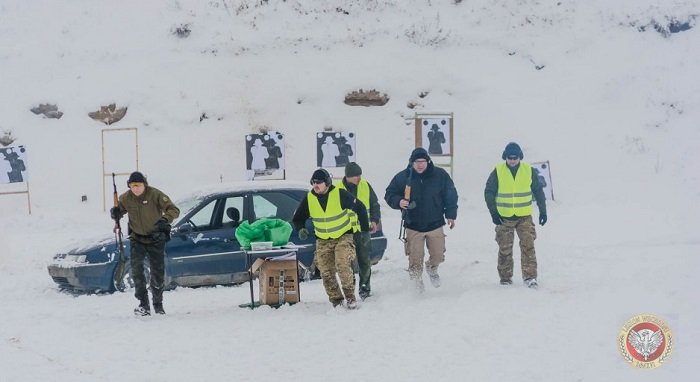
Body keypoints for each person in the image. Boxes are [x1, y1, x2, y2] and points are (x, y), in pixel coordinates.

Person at [292, 168, 370, 309]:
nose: (315, 185)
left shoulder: (339, 195)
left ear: (327, 183)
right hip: (322, 240)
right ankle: (337, 301)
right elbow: (297, 218)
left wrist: (364, 231)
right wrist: (301, 229)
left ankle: (350, 298)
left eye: (319, 183)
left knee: (342, 264)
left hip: (343, 237)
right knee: (326, 272)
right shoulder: (310, 198)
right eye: (313, 182)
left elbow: (361, 208)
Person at [384, 147, 458, 292]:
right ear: (412, 162)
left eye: (423, 161)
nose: (420, 164)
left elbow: (451, 195)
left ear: (428, 161)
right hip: (413, 225)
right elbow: (389, 194)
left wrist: (451, 214)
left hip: (435, 223)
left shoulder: (440, 175)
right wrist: (399, 201)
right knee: (415, 259)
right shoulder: (403, 177)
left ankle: (432, 268)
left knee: (438, 255)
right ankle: (416, 283)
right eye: (417, 161)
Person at [110, 171, 180, 315]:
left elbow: (174, 209)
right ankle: (143, 304)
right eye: (132, 185)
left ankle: (158, 304)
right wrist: (115, 213)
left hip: (156, 239)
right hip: (137, 239)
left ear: (144, 185)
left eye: (138, 185)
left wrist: (165, 219)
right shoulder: (125, 198)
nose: (135, 188)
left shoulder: (155, 194)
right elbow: (120, 211)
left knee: (157, 273)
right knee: (137, 272)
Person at [484, 142, 547, 289]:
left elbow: (538, 191)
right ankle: (505, 278)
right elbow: (489, 192)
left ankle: (530, 276)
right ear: (505, 157)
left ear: (520, 157)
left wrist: (543, 211)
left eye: (515, 157)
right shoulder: (498, 171)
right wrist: (493, 212)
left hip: (524, 217)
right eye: (509, 157)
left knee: (528, 246)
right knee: (505, 248)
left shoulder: (528, 170)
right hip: (504, 217)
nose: (512, 160)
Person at [334, 162, 381, 300]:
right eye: (355, 176)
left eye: (359, 175)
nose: (358, 178)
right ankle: (350, 288)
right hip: (345, 231)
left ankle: (365, 288)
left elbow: (374, 204)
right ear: (347, 176)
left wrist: (374, 220)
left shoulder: (365, 185)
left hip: (363, 230)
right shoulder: (337, 189)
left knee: (364, 261)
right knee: (346, 262)